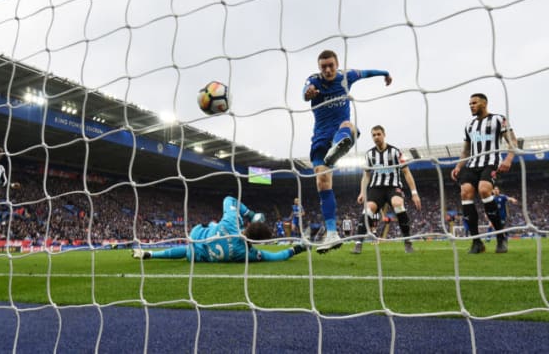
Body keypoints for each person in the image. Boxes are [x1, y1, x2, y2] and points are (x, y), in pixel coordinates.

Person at [302, 50, 392, 253]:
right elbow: (305, 91)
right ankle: (332, 234)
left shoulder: (346, 76)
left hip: (341, 129)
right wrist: (308, 93)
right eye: (323, 66)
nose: (327, 69)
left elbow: (367, 72)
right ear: (319, 67)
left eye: (330, 65)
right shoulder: (314, 80)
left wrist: (385, 72)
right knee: (321, 182)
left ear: (337, 64)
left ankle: (338, 146)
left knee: (348, 126)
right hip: (320, 138)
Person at [132, 196, 306, 263]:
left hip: (197, 234)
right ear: (256, 243)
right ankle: (152, 255)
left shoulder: (232, 222)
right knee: (189, 252)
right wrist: (298, 248)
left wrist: (251, 214)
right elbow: (276, 256)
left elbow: (228, 199)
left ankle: (151, 254)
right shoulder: (246, 254)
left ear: (248, 226)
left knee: (214, 225)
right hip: (198, 257)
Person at [451, 93, 518, 254]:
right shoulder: (469, 125)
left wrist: (508, 159)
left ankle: (501, 238)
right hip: (473, 164)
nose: (471, 106)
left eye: (474, 103)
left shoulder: (498, 119)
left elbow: (513, 141)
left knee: (484, 189)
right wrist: (458, 166)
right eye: (470, 104)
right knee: (465, 193)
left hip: (491, 162)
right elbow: (466, 149)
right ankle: (477, 242)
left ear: (484, 103)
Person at [353, 125, 421, 254]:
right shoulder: (369, 154)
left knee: (398, 203)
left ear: (384, 135)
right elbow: (366, 175)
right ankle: (358, 244)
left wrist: (414, 193)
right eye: (373, 135)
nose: (376, 137)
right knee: (368, 208)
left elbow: (406, 172)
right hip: (376, 188)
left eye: (378, 134)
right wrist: (362, 192)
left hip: (393, 186)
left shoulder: (395, 152)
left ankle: (407, 242)